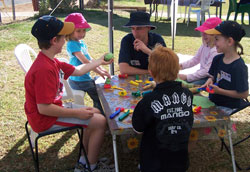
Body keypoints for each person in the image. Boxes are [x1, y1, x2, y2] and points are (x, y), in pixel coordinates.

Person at [25, 15, 114, 172]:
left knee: (96, 112)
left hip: (52, 109)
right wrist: (76, 112)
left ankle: (84, 160)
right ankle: (90, 167)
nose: (65, 40)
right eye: (62, 37)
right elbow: (44, 108)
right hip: (43, 118)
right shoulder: (43, 69)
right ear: (54, 41)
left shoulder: (51, 60)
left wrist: (99, 61)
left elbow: (77, 70)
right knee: (99, 121)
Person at [132, 45, 194, 172]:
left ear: (151, 72)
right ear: (177, 71)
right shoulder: (188, 95)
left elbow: (137, 128)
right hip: (180, 161)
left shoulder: (148, 100)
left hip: (154, 163)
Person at [64, 13, 110, 115]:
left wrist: (101, 68)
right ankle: (101, 116)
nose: (82, 33)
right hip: (79, 80)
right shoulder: (72, 44)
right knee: (99, 96)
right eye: (78, 31)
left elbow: (90, 59)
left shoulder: (81, 43)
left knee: (98, 90)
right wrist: (99, 73)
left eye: (84, 30)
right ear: (70, 32)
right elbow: (85, 62)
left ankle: (99, 114)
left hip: (83, 78)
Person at [202, 21, 249, 109]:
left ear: (230, 41)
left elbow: (244, 94)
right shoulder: (217, 59)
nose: (214, 42)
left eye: (217, 39)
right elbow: (212, 76)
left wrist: (220, 91)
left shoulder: (239, 66)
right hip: (213, 101)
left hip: (228, 106)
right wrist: (209, 81)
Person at [178, 17, 222, 85]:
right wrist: (180, 66)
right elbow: (195, 59)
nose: (203, 34)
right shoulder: (205, 45)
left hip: (208, 78)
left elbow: (207, 71)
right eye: (203, 32)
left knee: (187, 87)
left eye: (207, 32)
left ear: (216, 35)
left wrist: (187, 77)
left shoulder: (215, 51)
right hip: (201, 75)